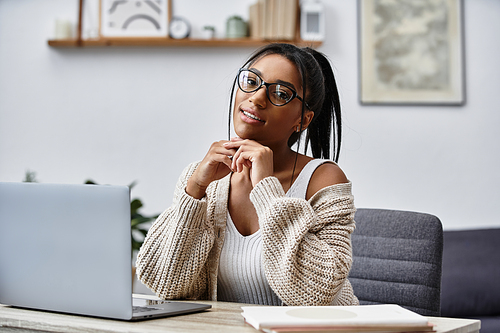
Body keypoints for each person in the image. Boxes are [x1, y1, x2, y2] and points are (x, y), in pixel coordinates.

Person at [136, 43, 358, 306]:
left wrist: (267, 190)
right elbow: (166, 285)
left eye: (279, 93)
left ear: (303, 120)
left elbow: (318, 293)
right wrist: (195, 189)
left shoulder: (324, 180)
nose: (256, 98)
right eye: (251, 81)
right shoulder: (203, 179)